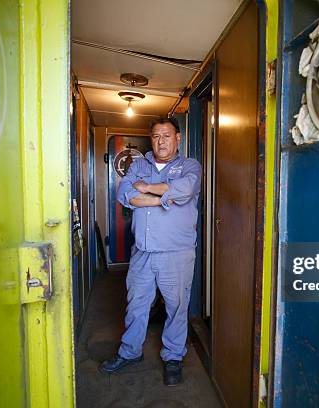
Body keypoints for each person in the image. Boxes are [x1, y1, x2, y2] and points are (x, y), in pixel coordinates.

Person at [100, 116, 201, 387]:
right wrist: (164, 197)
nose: (161, 141)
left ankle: (173, 357)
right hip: (142, 253)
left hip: (176, 254)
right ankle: (130, 352)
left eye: (167, 135)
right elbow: (125, 196)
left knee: (176, 308)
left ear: (177, 138)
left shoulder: (189, 166)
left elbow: (185, 190)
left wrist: (145, 191)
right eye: (156, 136)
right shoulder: (139, 165)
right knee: (136, 305)